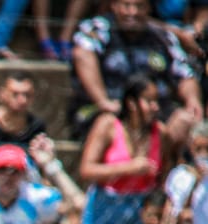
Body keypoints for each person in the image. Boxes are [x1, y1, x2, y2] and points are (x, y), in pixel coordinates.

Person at [69, 0, 201, 142]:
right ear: (114, 6)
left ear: (148, 8)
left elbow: (184, 74)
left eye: (139, 6)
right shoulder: (97, 29)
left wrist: (192, 100)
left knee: (184, 120)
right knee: (106, 122)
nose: (133, 12)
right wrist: (103, 101)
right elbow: (82, 55)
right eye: (126, 6)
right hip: (110, 110)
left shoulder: (162, 36)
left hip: (156, 112)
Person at [79, 74, 166, 224]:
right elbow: (86, 169)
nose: (155, 107)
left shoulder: (160, 132)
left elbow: (164, 177)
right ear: (131, 103)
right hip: (106, 207)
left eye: (156, 101)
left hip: (141, 210)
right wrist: (128, 169)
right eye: (149, 101)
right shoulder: (108, 125)